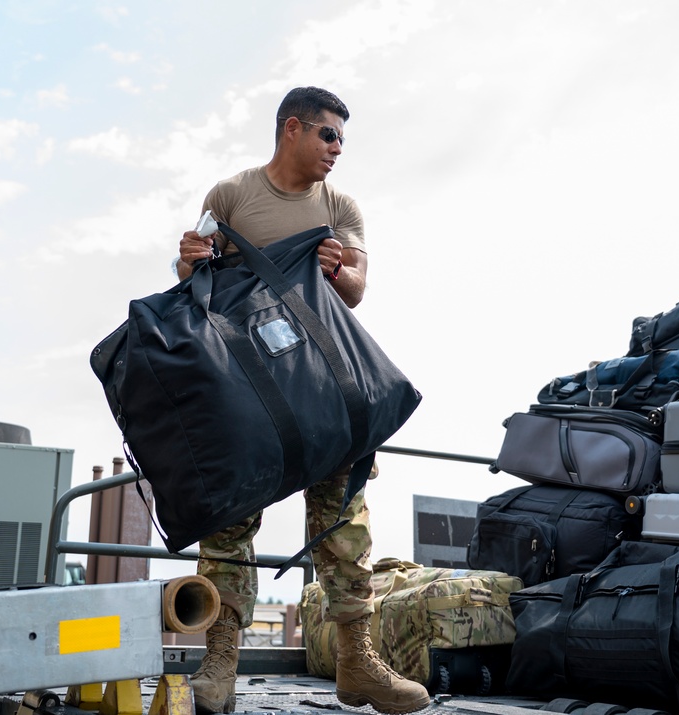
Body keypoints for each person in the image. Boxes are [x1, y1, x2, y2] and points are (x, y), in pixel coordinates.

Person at [176, 86, 430, 715]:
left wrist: (337, 268)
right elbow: (193, 287)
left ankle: (358, 665)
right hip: (249, 392)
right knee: (231, 521)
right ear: (293, 129)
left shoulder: (340, 205)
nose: (337, 148)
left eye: (342, 138)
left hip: (323, 386)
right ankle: (221, 663)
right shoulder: (230, 195)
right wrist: (185, 261)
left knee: (343, 524)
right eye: (328, 135)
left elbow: (356, 291)